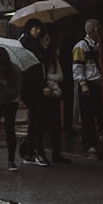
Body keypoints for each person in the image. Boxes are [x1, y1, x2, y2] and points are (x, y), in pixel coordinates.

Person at [18, 18, 49, 166]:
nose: (37, 31)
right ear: (29, 28)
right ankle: (37, 151)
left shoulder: (36, 43)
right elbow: (32, 68)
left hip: (37, 86)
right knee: (38, 115)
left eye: (39, 28)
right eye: (35, 28)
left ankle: (30, 151)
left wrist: (44, 46)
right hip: (29, 86)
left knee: (37, 118)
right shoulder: (24, 43)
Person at [72, 18, 103, 154]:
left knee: (100, 114)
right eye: (97, 28)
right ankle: (89, 143)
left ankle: (97, 139)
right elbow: (77, 67)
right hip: (88, 85)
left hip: (99, 84)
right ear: (93, 30)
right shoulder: (81, 46)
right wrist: (83, 84)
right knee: (87, 116)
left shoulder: (100, 44)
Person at [40, 31, 70, 163]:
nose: (47, 41)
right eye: (45, 39)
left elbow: (60, 76)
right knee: (42, 125)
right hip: (42, 94)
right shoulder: (38, 56)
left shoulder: (53, 56)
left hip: (54, 93)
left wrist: (48, 77)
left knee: (56, 125)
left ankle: (56, 154)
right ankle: (36, 150)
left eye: (49, 38)